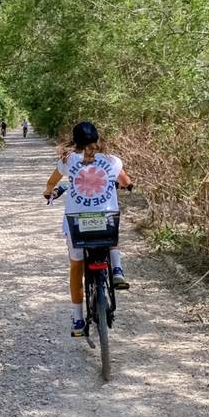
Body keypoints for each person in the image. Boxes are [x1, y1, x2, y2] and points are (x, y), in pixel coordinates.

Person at [43, 122, 132, 337]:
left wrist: (48, 191)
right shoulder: (113, 161)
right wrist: (126, 185)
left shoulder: (68, 160)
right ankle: (117, 270)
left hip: (77, 226)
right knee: (112, 229)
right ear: (97, 139)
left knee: (76, 267)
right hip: (106, 223)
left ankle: (77, 319)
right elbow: (125, 181)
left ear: (75, 142)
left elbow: (51, 183)